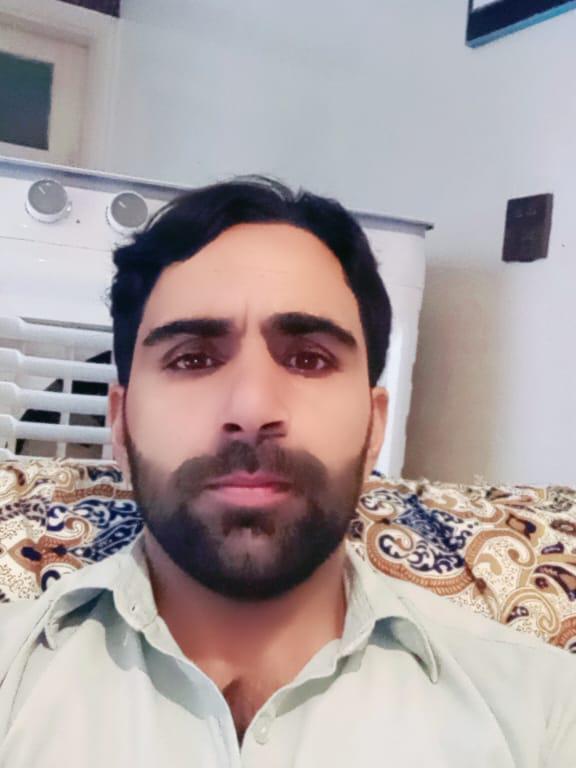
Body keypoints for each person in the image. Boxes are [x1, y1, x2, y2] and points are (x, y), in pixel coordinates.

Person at [0, 177, 574, 767]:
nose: (252, 409)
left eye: (308, 359)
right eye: (192, 358)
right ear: (120, 425)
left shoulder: (542, 714)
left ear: (374, 427)